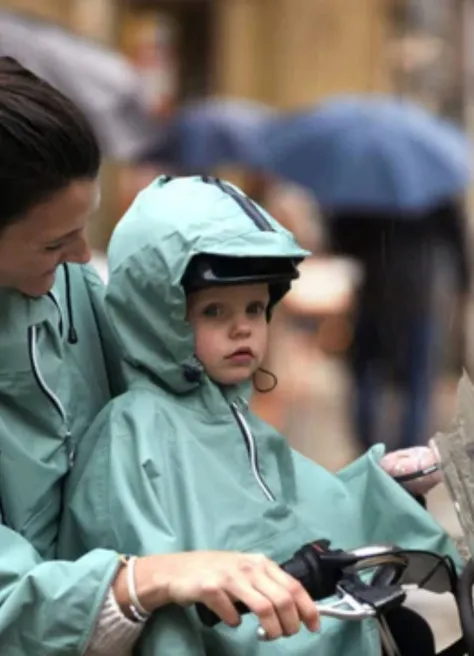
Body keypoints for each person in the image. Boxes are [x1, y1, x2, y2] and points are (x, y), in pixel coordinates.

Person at [59, 175, 458, 656]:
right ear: (157, 315)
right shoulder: (134, 432)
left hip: (292, 625)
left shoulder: (237, 420)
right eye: (213, 312)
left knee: (411, 631)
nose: (242, 329)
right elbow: (152, 592)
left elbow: (304, 511)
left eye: (255, 307)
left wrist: (387, 485)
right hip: (252, 639)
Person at [0, 57, 177, 655]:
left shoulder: (69, 284)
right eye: (54, 241)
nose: (82, 255)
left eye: (86, 227)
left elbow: (165, 403)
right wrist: (138, 585)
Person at [328, 203, 470, 452]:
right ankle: (408, 456)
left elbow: (340, 240)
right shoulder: (432, 189)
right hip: (417, 293)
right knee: (417, 379)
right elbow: (454, 237)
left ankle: (368, 449)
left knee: (367, 372)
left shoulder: (365, 190)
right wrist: (463, 284)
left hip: (375, 291)